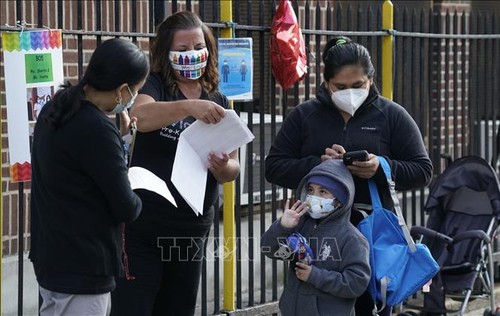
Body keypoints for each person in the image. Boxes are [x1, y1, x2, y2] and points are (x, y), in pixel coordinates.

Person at [265, 36, 433, 315]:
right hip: (315, 234)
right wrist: (319, 166)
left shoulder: (392, 116)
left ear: (371, 79)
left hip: (372, 233)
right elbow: (274, 166)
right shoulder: (305, 116)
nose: (350, 93)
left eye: (358, 86)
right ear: (326, 83)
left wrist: (379, 167)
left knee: (368, 304)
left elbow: (423, 170)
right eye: (340, 87)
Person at [110, 11, 240, 316]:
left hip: (190, 229)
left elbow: (234, 167)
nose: (192, 55)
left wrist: (222, 167)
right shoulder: (155, 85)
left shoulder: (218, 100)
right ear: (165, 54)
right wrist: (188, 107)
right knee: (134, 307)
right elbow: (140, 119)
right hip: (145, 226)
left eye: (198, 47)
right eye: (182, 50)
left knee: (178, 307)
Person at [29, 38, 148, 316]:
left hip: (51, 255)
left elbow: (77, 171)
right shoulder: (96, 128)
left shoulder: (56, 109)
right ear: (122, 90)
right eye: (136, 92)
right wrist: (138, 191)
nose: (132, 100)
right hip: (83, 265)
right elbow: (126, 207)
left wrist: (117, 144)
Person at [261, 159, 371, 315]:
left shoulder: (352, 238)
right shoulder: (300, 225)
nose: (313, 196)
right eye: (310, 190)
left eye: (323, 192)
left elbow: (356, 283)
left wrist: (315, 276)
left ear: (340, 200)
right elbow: (269, 249)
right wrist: (283, 226)